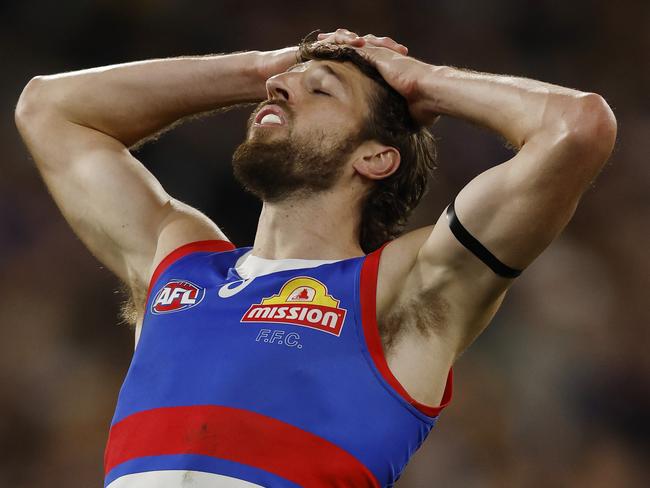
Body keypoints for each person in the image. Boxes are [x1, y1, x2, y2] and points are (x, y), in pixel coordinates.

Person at [15, 28, 616, 488]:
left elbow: (577, 127)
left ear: (377, 158)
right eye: (283, 84)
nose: (281, 89)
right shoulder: (179, 262)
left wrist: (418, 81)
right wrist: (262, 67)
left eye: (320, 89)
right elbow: (49, 108)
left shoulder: (404, 290)